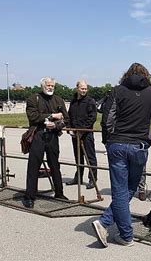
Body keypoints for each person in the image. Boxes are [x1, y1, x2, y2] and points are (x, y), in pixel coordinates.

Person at [92, 63, 151, 248]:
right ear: (146, 75)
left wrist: (108, 141)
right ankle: (121, 232)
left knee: (120, 190)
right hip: (139, 146)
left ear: (127, 75)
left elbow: (107, 119)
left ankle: (110, 225)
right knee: (130, 188)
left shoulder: (117, 91)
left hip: (117, 144)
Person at [22, 77, 69, 208]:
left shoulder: (59, 100)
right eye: (48, 85)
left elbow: (66, 119)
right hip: (38, 134)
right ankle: (30, 196)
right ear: (42, 86)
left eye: (52, 86)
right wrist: (52, 116)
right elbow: (33, 117)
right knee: (33, 165)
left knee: (55, 165)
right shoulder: (33, 99)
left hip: (53, 136)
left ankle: (59, 193)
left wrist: (56, 126)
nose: (50, 87)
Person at [66, 80, 98, 189]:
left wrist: (81, 131)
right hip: (75, 134)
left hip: (86, 134)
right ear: (77, 88)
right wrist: (69, 129)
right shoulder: (73, 101)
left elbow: (92, 118)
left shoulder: (90, 101)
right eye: (82, 88)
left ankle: (92, 179)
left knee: (90, 157)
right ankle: (78, 177)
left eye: (85, 89)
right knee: (78, 157)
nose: (84, 90)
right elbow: (69, 116)